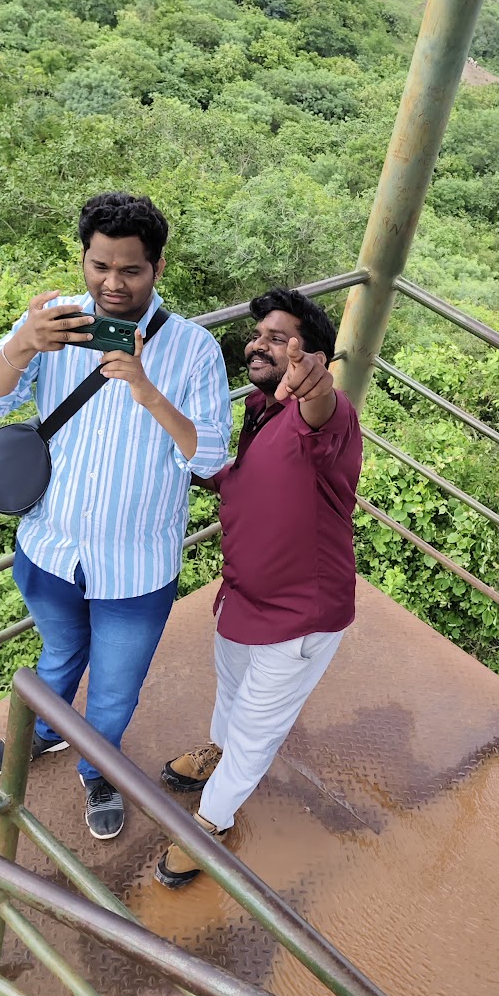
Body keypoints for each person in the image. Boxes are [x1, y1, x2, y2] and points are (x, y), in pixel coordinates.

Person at [0, 192, 232, 840]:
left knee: (114, 690)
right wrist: (23, 345)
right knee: (58, 655)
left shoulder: (194, 350)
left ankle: (97, 771)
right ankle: (47, 730)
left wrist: (145, 388)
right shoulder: (53, 325)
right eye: (100, 265)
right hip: (52, 549)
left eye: (130, 269)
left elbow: (211, 456)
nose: (113, 283)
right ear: (83, 258)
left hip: (137, 568)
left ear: (158, 267)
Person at [155, 287, 362, 888]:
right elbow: (223, 472)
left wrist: (314, 385)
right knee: (230, 691)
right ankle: (215, 757)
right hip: (241, 595)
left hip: (300, 616)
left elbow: (319, 409)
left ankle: (211, 822)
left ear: (313, 357)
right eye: (260, 335)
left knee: (257, 728)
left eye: (281, 338)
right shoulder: (256, 408)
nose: (262, 345)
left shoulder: (324, 414)